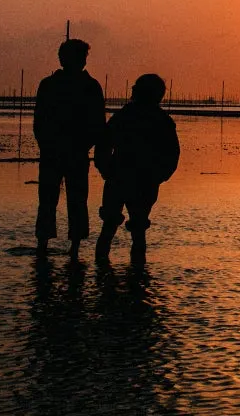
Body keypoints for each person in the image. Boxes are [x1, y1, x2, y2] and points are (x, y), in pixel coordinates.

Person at [95, 73, 180, 268]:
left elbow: (103, 144)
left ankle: (105, 275)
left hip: (128, 178)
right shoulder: (160, 120)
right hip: (139, 180)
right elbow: (172, 155)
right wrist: (159, 176)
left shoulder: (126, 117)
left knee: (111, 227)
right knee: (136, 230)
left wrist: (105, 168)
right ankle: (136, 279)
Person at [32, 37, 106, 256]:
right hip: (55, 152)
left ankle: (73, 246)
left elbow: (97, 125)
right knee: (48, 200)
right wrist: (47, 145)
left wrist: (83, 145)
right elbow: (40, 121)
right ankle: (45, 244)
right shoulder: (50, 85)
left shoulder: (89, 87)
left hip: (74, 153)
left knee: (75, 200)